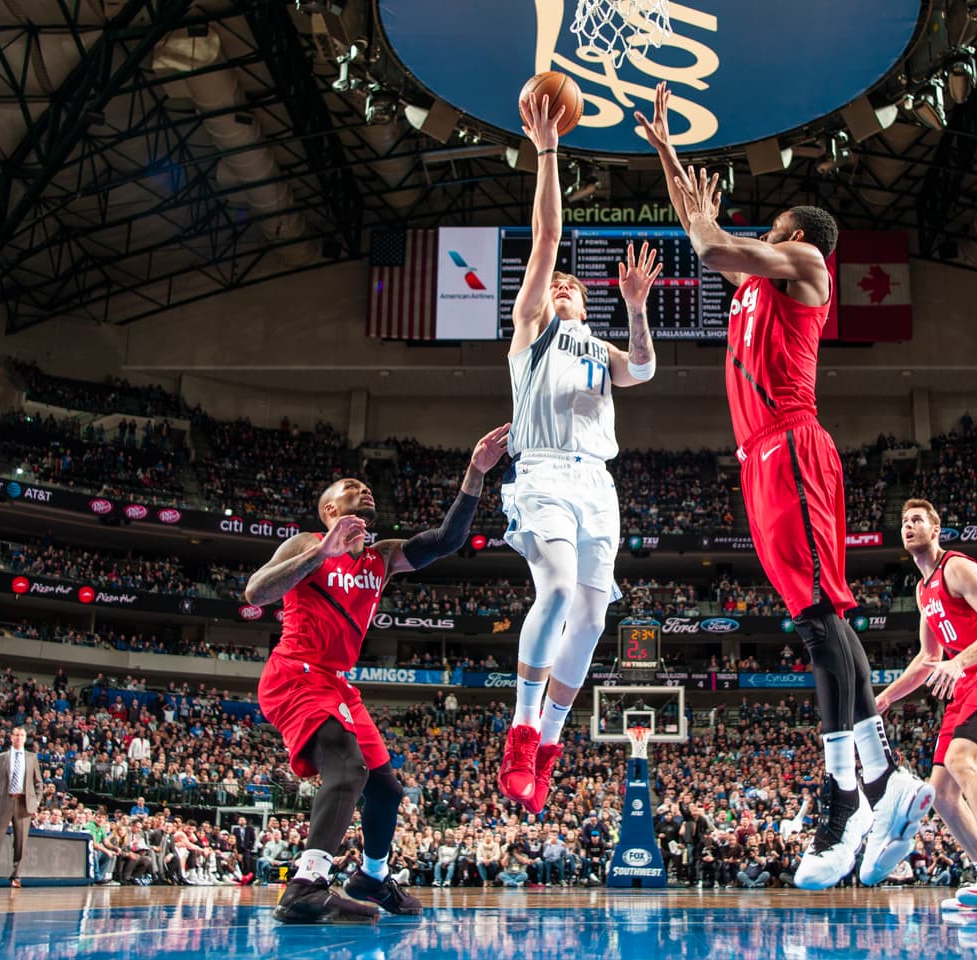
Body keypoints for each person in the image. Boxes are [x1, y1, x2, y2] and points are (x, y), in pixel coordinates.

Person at [638, 84, 929, 890]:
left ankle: (847, 797)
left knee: (816, 620)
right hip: (763, 457)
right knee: (821, 617)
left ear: (795, 234)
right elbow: (703, 231)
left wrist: (689, 190)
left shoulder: (805, 264)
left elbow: (708, 243)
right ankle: (880, 783)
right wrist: (668, 156)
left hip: (792, 445)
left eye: (769, 228)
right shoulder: (756, 284)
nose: (760, 235)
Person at [245, 424, 509, 922]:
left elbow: (447, 540)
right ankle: (306, 885)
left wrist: (475, 472)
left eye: (366, 488)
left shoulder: (381, 557)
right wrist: (320, 553)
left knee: (386, 790)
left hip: (337, 683)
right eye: (352, 487)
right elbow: (256, 594)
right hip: (296, 673)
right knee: (348, 769)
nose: (364, 490)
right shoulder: (305, 544)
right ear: (329, 510)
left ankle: (372, 875)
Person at [497, 91, 662, 814]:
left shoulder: (598, 346)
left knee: (593, 620)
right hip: (541, 473)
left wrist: (636, 308)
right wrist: (547, 150)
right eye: (556, 282)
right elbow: (546, 238)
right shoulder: (531, 329)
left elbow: (644, 369)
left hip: (598, 484)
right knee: (558, 590)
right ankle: (520, 731)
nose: (562, 284)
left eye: (572, 285)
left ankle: (549, 745)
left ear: (587, 305)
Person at [876, 499, 977, 909]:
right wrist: (886, 697)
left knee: (962, 760)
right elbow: (928, 658)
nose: (909, 526)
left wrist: (959, 661)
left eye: (917, 520)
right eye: (904, 521)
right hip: (966, 686)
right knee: (941, 793)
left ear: (936, 529)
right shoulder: (921, 589)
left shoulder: (956, 568)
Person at [0, 727, 43, 887]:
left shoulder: (32, 757)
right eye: (16, 735)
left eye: (22, 735)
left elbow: (38, 783)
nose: (19, 737)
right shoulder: (0, 758)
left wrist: (36, 802)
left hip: (24, 804)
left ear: (25, 738)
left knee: (21, 841)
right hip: (4, 801)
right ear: (11, 737)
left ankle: (15, 876)